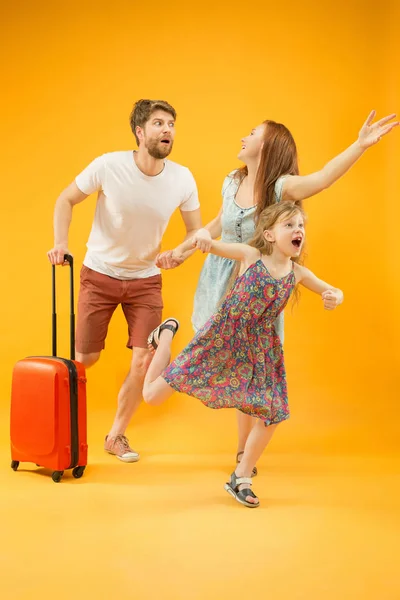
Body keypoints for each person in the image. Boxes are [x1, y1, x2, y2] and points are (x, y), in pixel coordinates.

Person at [156, 109, 398, 476]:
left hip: (255, 285)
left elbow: (322, 179)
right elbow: (216, 226)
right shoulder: (231, 180)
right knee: (215, 356)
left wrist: (359, 145)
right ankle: (165, 352)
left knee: (248, 367)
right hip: (221, 278)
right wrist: (180, 251)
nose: (244, 137)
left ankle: (242, 455)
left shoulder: (279, 187)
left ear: (266, 146)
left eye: (252, 132)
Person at [143, 201, 343, 508]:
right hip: (221, 339)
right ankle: (165, 335)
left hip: (262, 350)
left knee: (274, 410)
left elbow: (334, 290)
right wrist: (205, 241)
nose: (298, 230)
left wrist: (334, 296)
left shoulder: (298, 273)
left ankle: (241, 476)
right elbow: (217, 246)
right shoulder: (252, 256)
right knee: (152, 397)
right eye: (289, 225)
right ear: (270, 235)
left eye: (300, 225)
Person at [47, 99, 203, 463]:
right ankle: (56, 426)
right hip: (99, 274)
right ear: (140, 132)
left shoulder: (182, 178)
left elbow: (196, 232)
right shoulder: (109, 165)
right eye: (159, 123)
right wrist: (60, 244)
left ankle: (116, 436)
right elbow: (66, 199)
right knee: (85, 357)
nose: (167, 130)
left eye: (171, 124)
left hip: (146, 282)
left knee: (143, 361)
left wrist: (178, 253)